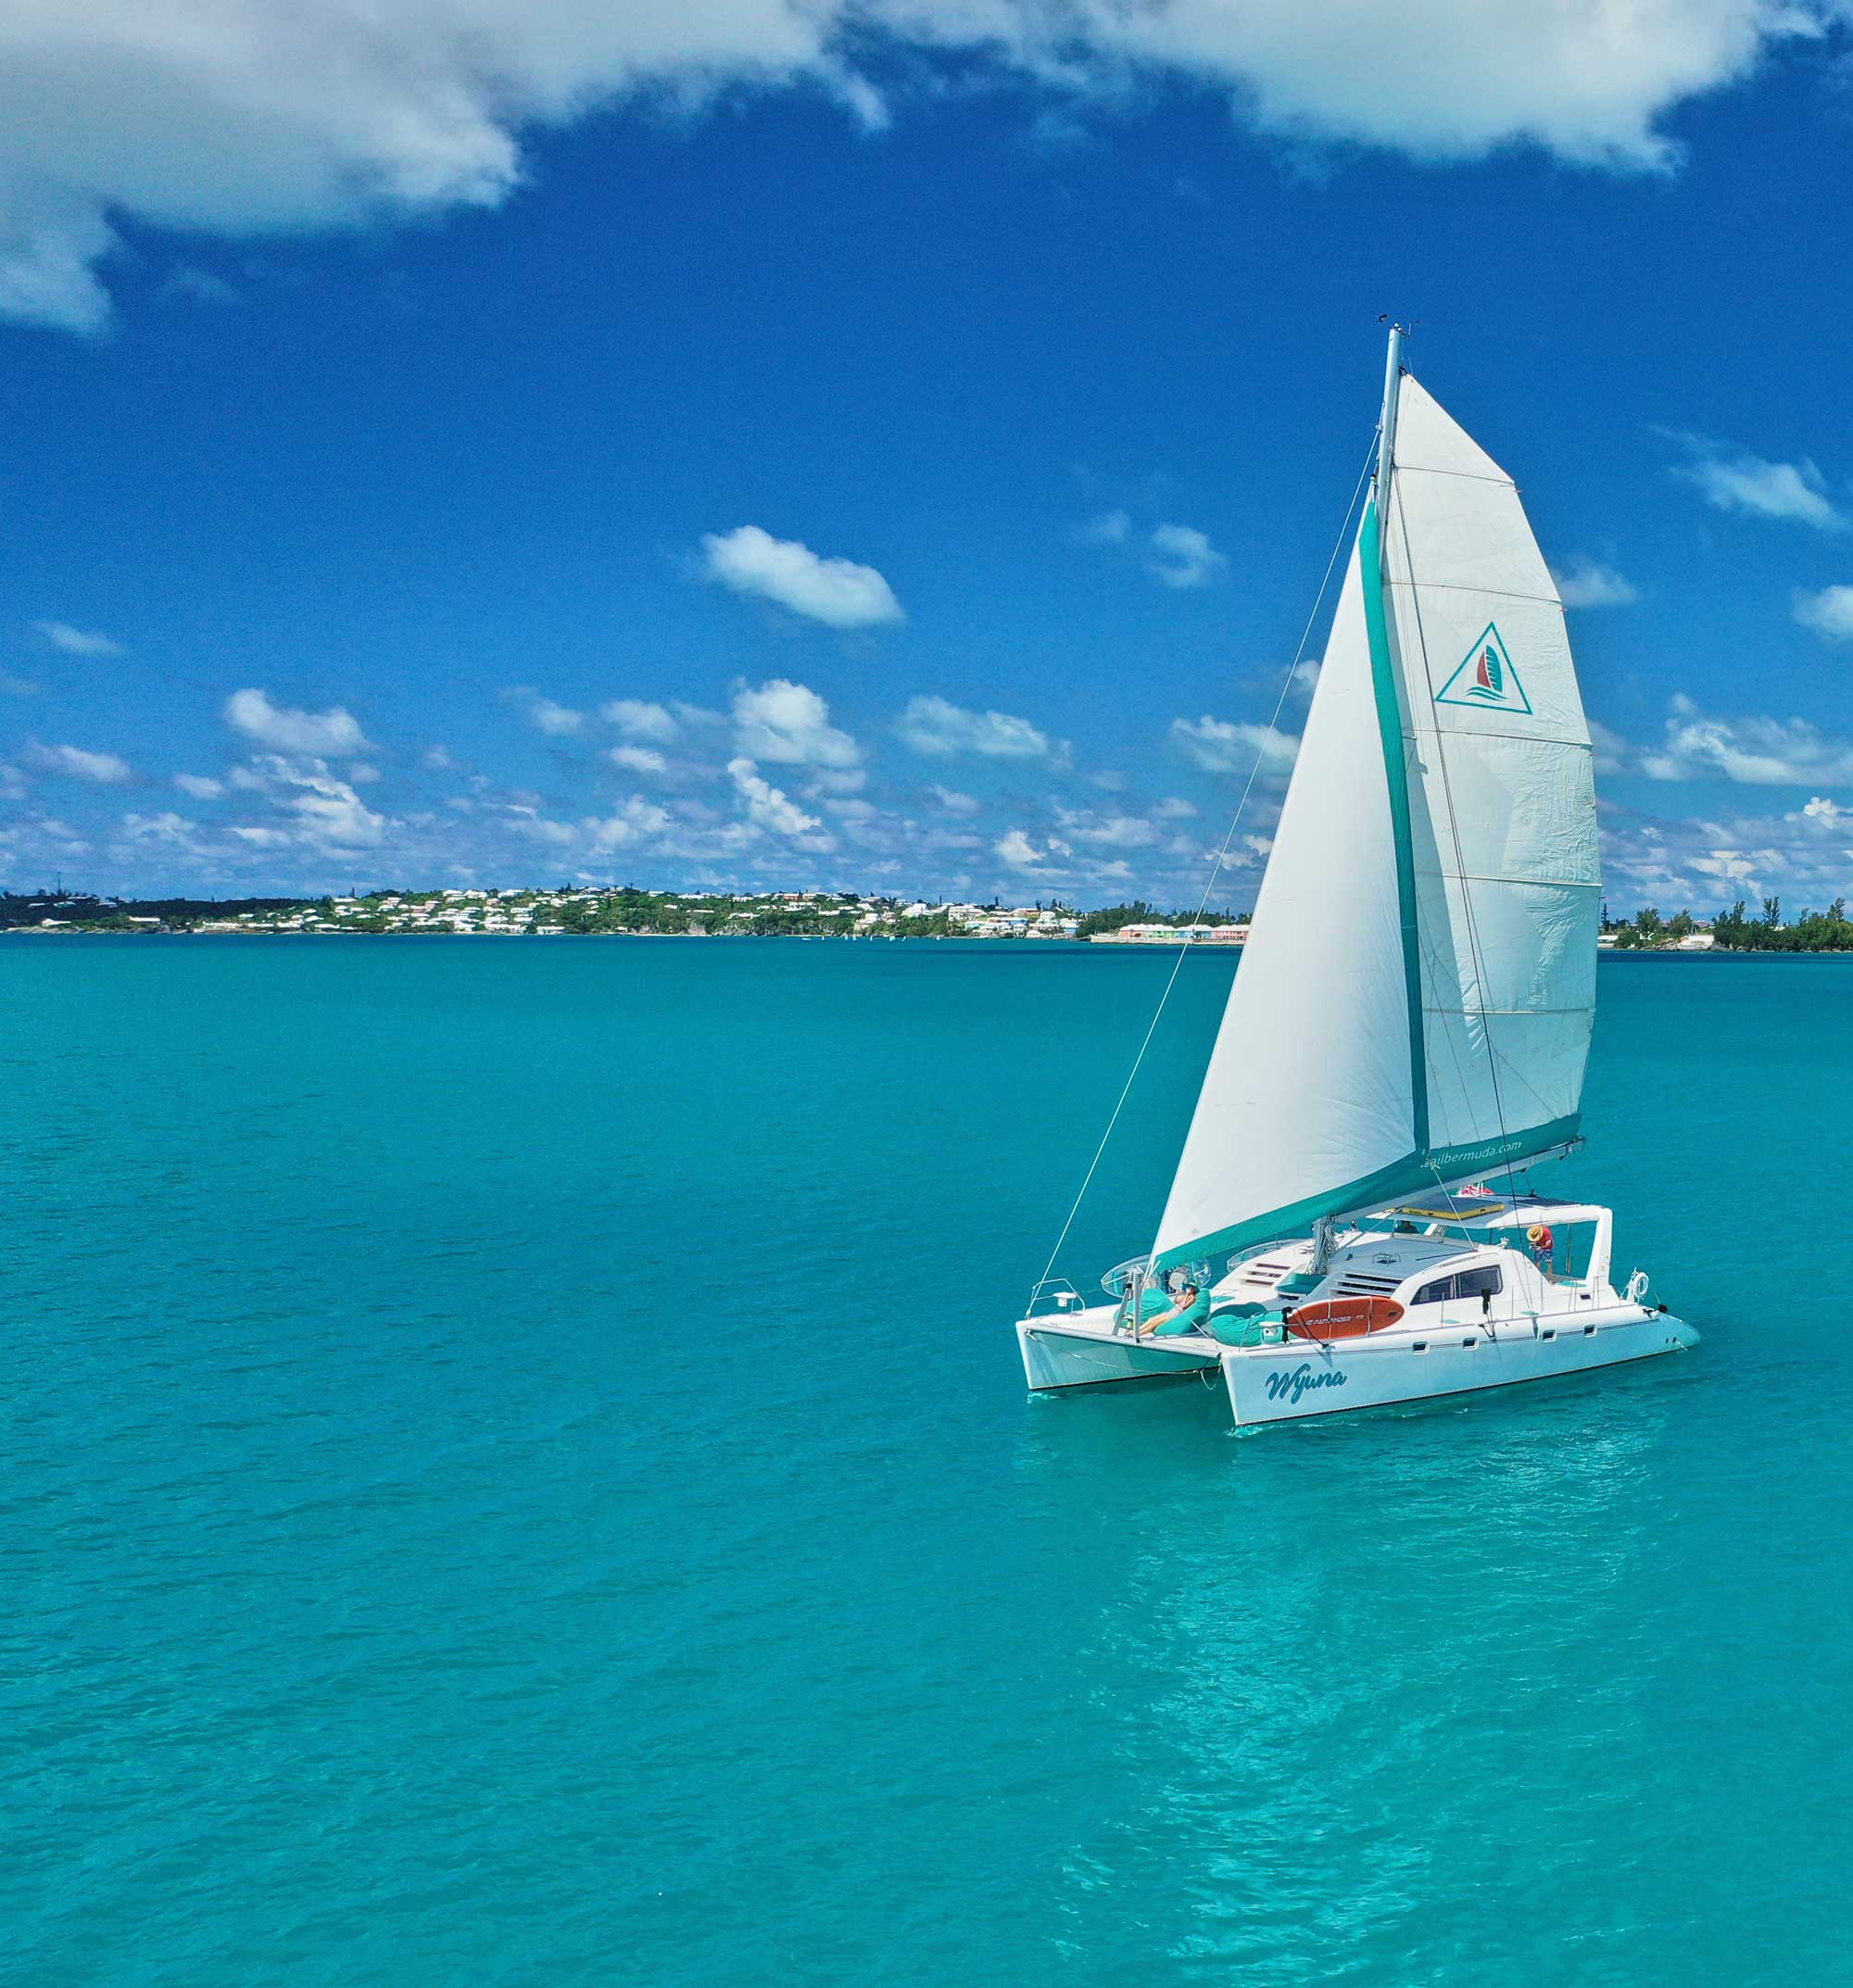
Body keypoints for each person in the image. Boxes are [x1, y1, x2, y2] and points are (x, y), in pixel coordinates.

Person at [1140, 1274, 1211, 1338]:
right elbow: (1175, 1302)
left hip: (1174, 1314)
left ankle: (1139, 1334)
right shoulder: (1186, 1295)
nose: (1187, 1289)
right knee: (1151, 1320)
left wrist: (1186, 1295)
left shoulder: (1191, 1297)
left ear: (1192, 1289)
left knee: (1153, 1324)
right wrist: (1178, 1294)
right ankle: (1137, 1331)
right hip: (1171, 1312)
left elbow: (1184, 1305)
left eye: (1189, 1288)